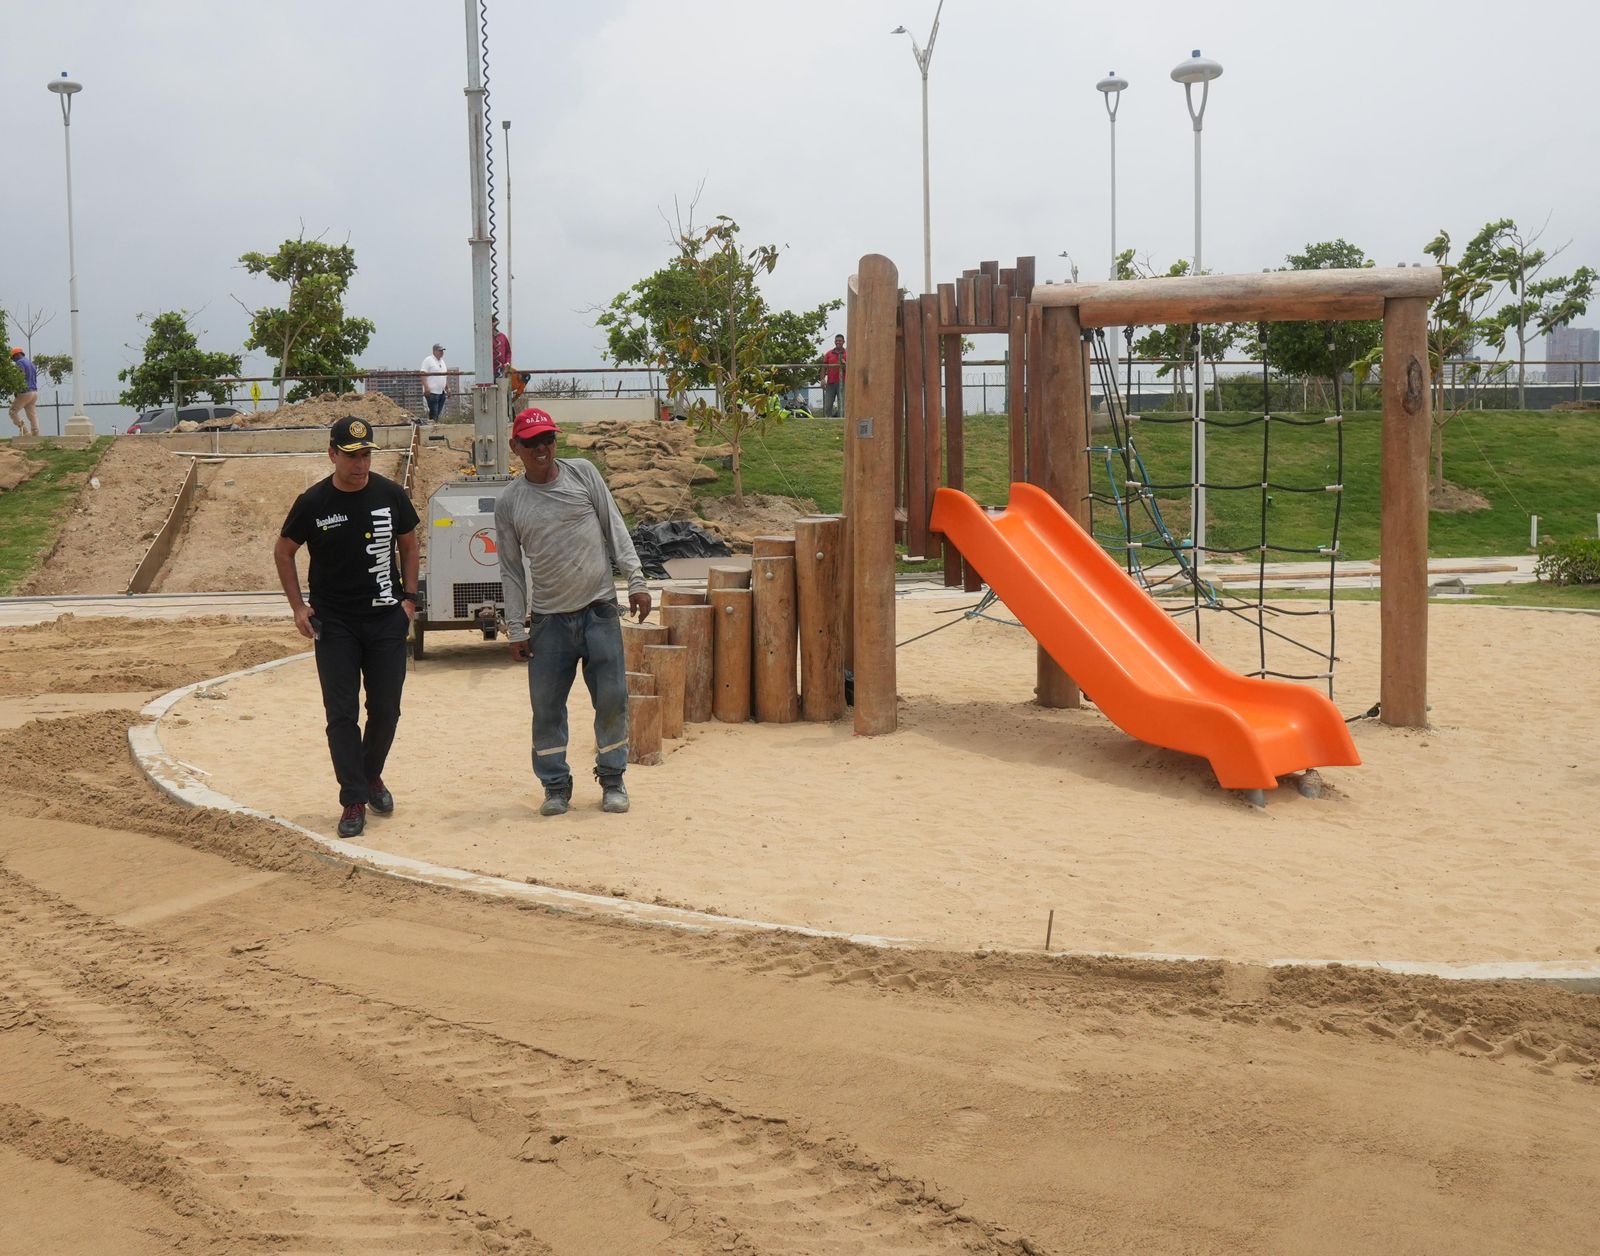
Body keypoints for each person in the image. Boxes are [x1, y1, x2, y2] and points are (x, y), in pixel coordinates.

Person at [495, 406, 651, 816]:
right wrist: (515, 628)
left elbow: (614, 526)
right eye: (531, 443)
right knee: (546, 708)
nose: (541, 448)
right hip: (549, 623)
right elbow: (511, 570)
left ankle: (613, 779)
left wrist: (635, 580)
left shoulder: (583, 473)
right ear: (516, 447)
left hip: (599, 611)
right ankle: (555, 785)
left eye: (547, 439)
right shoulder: (510, 502)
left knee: (613, 699)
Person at [274, 415, 421, 839]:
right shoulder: (313, 502)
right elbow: (284, 552)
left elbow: (409, 544)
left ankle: (369, 775)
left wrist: (409, 599)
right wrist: (298, 607)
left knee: (387, 710)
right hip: (334, 624)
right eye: (353, 455)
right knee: (341, 714)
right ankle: (353, 798)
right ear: (333, 454)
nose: (361, 464)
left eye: (367, 454)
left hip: (385, 620)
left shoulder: (391, 495)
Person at [8, 348, 40, 437]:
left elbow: (20, 376)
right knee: (32, 414)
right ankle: (35, 433)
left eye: (13, 358)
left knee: (12, 412)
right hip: (34, 392)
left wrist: (16, 389)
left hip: (25, 392)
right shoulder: (31, 364)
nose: (13, 360)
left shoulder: (20, 363)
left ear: (17, 355)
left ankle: (25, 432)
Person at [419, 343, 449, 423]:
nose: (442, 352)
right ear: (434, 351)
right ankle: (432, 427)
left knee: (437, 412)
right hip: (432, 392)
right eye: (440, 351)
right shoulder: (428, 360)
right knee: (434, 412)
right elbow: (423, 373)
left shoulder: (442, 362)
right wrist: (426, 387)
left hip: (441, 392)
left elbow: (444, 376)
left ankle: (433, 424)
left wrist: (447, 388)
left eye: (442, 351)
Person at [821, 334, 847, 417]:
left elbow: (852, 370)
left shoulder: (848, 354)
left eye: (840, 341)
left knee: (842, 404)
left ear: (843, 342)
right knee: (828, 404)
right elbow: (824, 367)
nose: (838, 342)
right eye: (836, 341)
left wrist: (845, 364)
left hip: (843, 383)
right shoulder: (829, 354)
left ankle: (841, 421)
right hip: (831, 383)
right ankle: (827, 420)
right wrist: (822, 379)